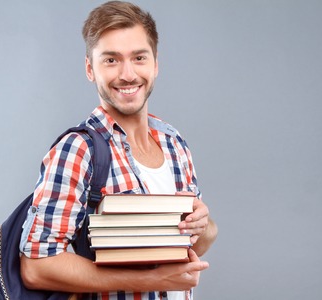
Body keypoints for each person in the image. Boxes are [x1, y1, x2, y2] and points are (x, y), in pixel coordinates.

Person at [20, 1, 218, 299]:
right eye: (111, 60)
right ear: (90, 68)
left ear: (155, 63)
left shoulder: (174, 142)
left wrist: (204, 226)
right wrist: (151, 281)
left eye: (139, 57)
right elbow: (36, 267)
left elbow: (189, 248)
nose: (127, 74)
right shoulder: (79, 149)